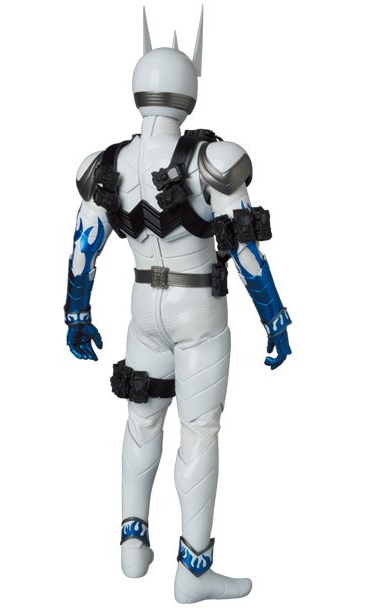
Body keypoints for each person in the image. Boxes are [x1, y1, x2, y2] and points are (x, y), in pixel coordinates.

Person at [64, 8, 291, 603]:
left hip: (143, 306)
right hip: (199, 311)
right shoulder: (213, 159)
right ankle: (193, 570)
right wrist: (274, 317)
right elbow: (244, 250)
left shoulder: (107, 164)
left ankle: (132, 548)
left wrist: (76, 314)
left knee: (141, 421)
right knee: (199, 430)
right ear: (189, 89)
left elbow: (83, 246)